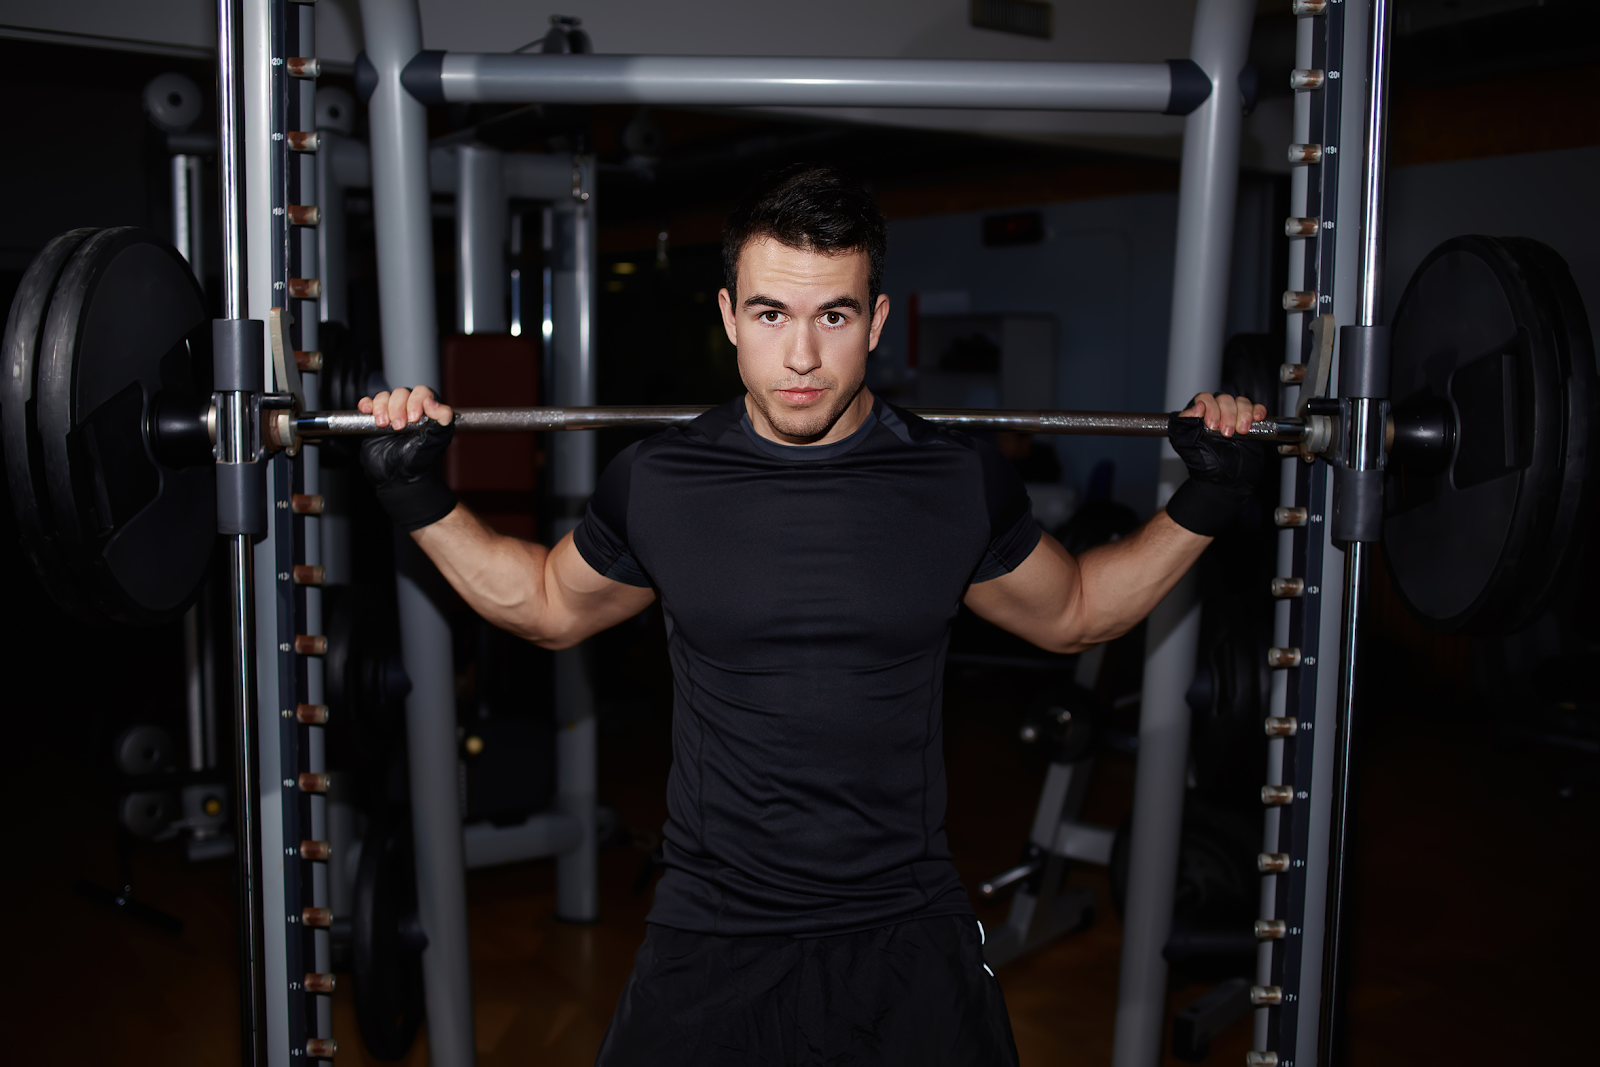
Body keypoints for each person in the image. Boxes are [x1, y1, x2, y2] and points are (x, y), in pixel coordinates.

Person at [358, 164, 1265, 1066]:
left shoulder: (954, 479)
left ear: (876, 321)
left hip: (905, 921)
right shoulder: (660, 481)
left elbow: (1076, 611)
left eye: (833, 316)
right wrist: (416, 496)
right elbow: (551, 605)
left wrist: (1208, 499)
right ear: (728, 317)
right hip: (713, 925)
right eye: (770, 315)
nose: (800, 357)